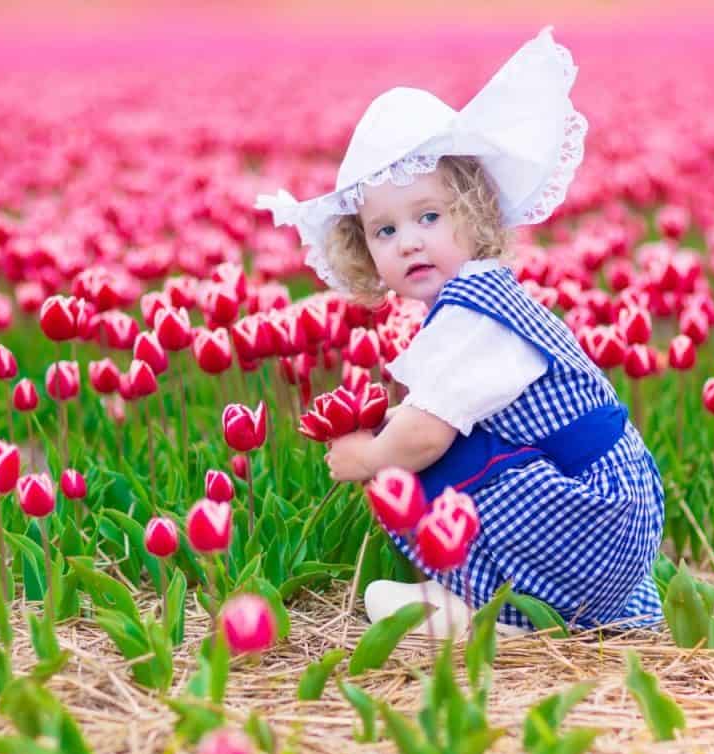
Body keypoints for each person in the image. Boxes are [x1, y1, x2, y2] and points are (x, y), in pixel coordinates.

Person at [256, 28, 663, 638]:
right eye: (384, 231)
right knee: (427, 440)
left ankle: (505, 616)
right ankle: (546, 604)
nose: (409, 240)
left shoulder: (474, 319)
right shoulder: (489, 298)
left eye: (428, 216)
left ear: (475, 218)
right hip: (615, 514)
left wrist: (367, 457)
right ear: (363, 249)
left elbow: (424, 436)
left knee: (413, 452)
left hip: (588, 517)